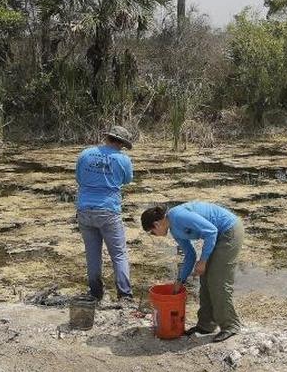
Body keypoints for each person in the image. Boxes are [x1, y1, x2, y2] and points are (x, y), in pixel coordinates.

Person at [140, 201, 243, 343]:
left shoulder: (178, 216)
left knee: (217, 280)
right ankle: (206, 325)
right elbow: (190, 255)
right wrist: (180, 281)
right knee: (205, 278)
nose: (154, 235)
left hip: (229, 231)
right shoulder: (174, 230)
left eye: (152, 232)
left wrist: (203, 261)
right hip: (217, 235)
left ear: (157, 224)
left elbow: (211, 231)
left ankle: (231, 325)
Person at [76, 126, 135, 303]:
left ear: (107, 138)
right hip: (109, 210)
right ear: (121, 143)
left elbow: (79, 178)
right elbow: (127, 180)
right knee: (118, 254)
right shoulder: (123, 159)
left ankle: (95, 293)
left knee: (92, 253)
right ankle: (124, 295)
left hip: (85, 209)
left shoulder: (85, 154)